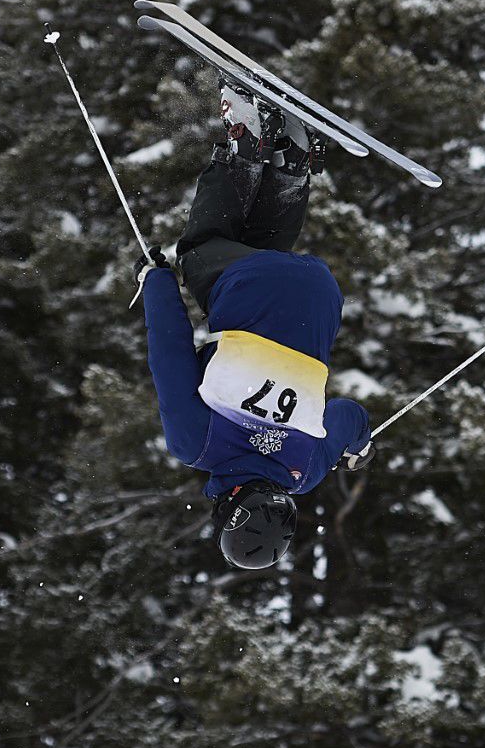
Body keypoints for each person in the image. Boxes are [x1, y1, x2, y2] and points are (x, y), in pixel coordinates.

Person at [136, 85, 375, 570]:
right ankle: (243, 145)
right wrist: (157, 282)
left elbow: (348, 413)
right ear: (225, 508)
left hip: (319, 293)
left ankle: (291, 163)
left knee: (255, 252)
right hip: (248, 286)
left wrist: (358, 446)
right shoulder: (197, 443)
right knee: (202, 247)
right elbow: (169, 355)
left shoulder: (304, 471)